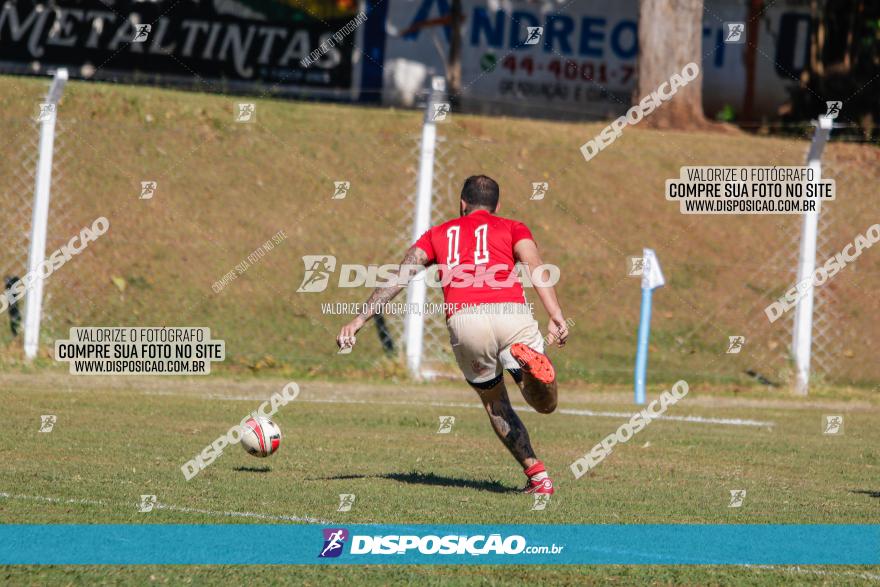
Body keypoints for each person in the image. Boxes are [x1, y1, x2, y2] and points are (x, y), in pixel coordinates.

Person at [336, 175, 568, 494]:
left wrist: (360, 319)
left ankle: (538, 476)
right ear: (497, 206)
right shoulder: (514, 227)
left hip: (466, 319)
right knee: (545, 404)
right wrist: (555, 314)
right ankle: (530, 369)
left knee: (494, 401)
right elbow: (536, 266)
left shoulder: (438, 233)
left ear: (462, 204)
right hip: (511, 312)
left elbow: (400, 276)